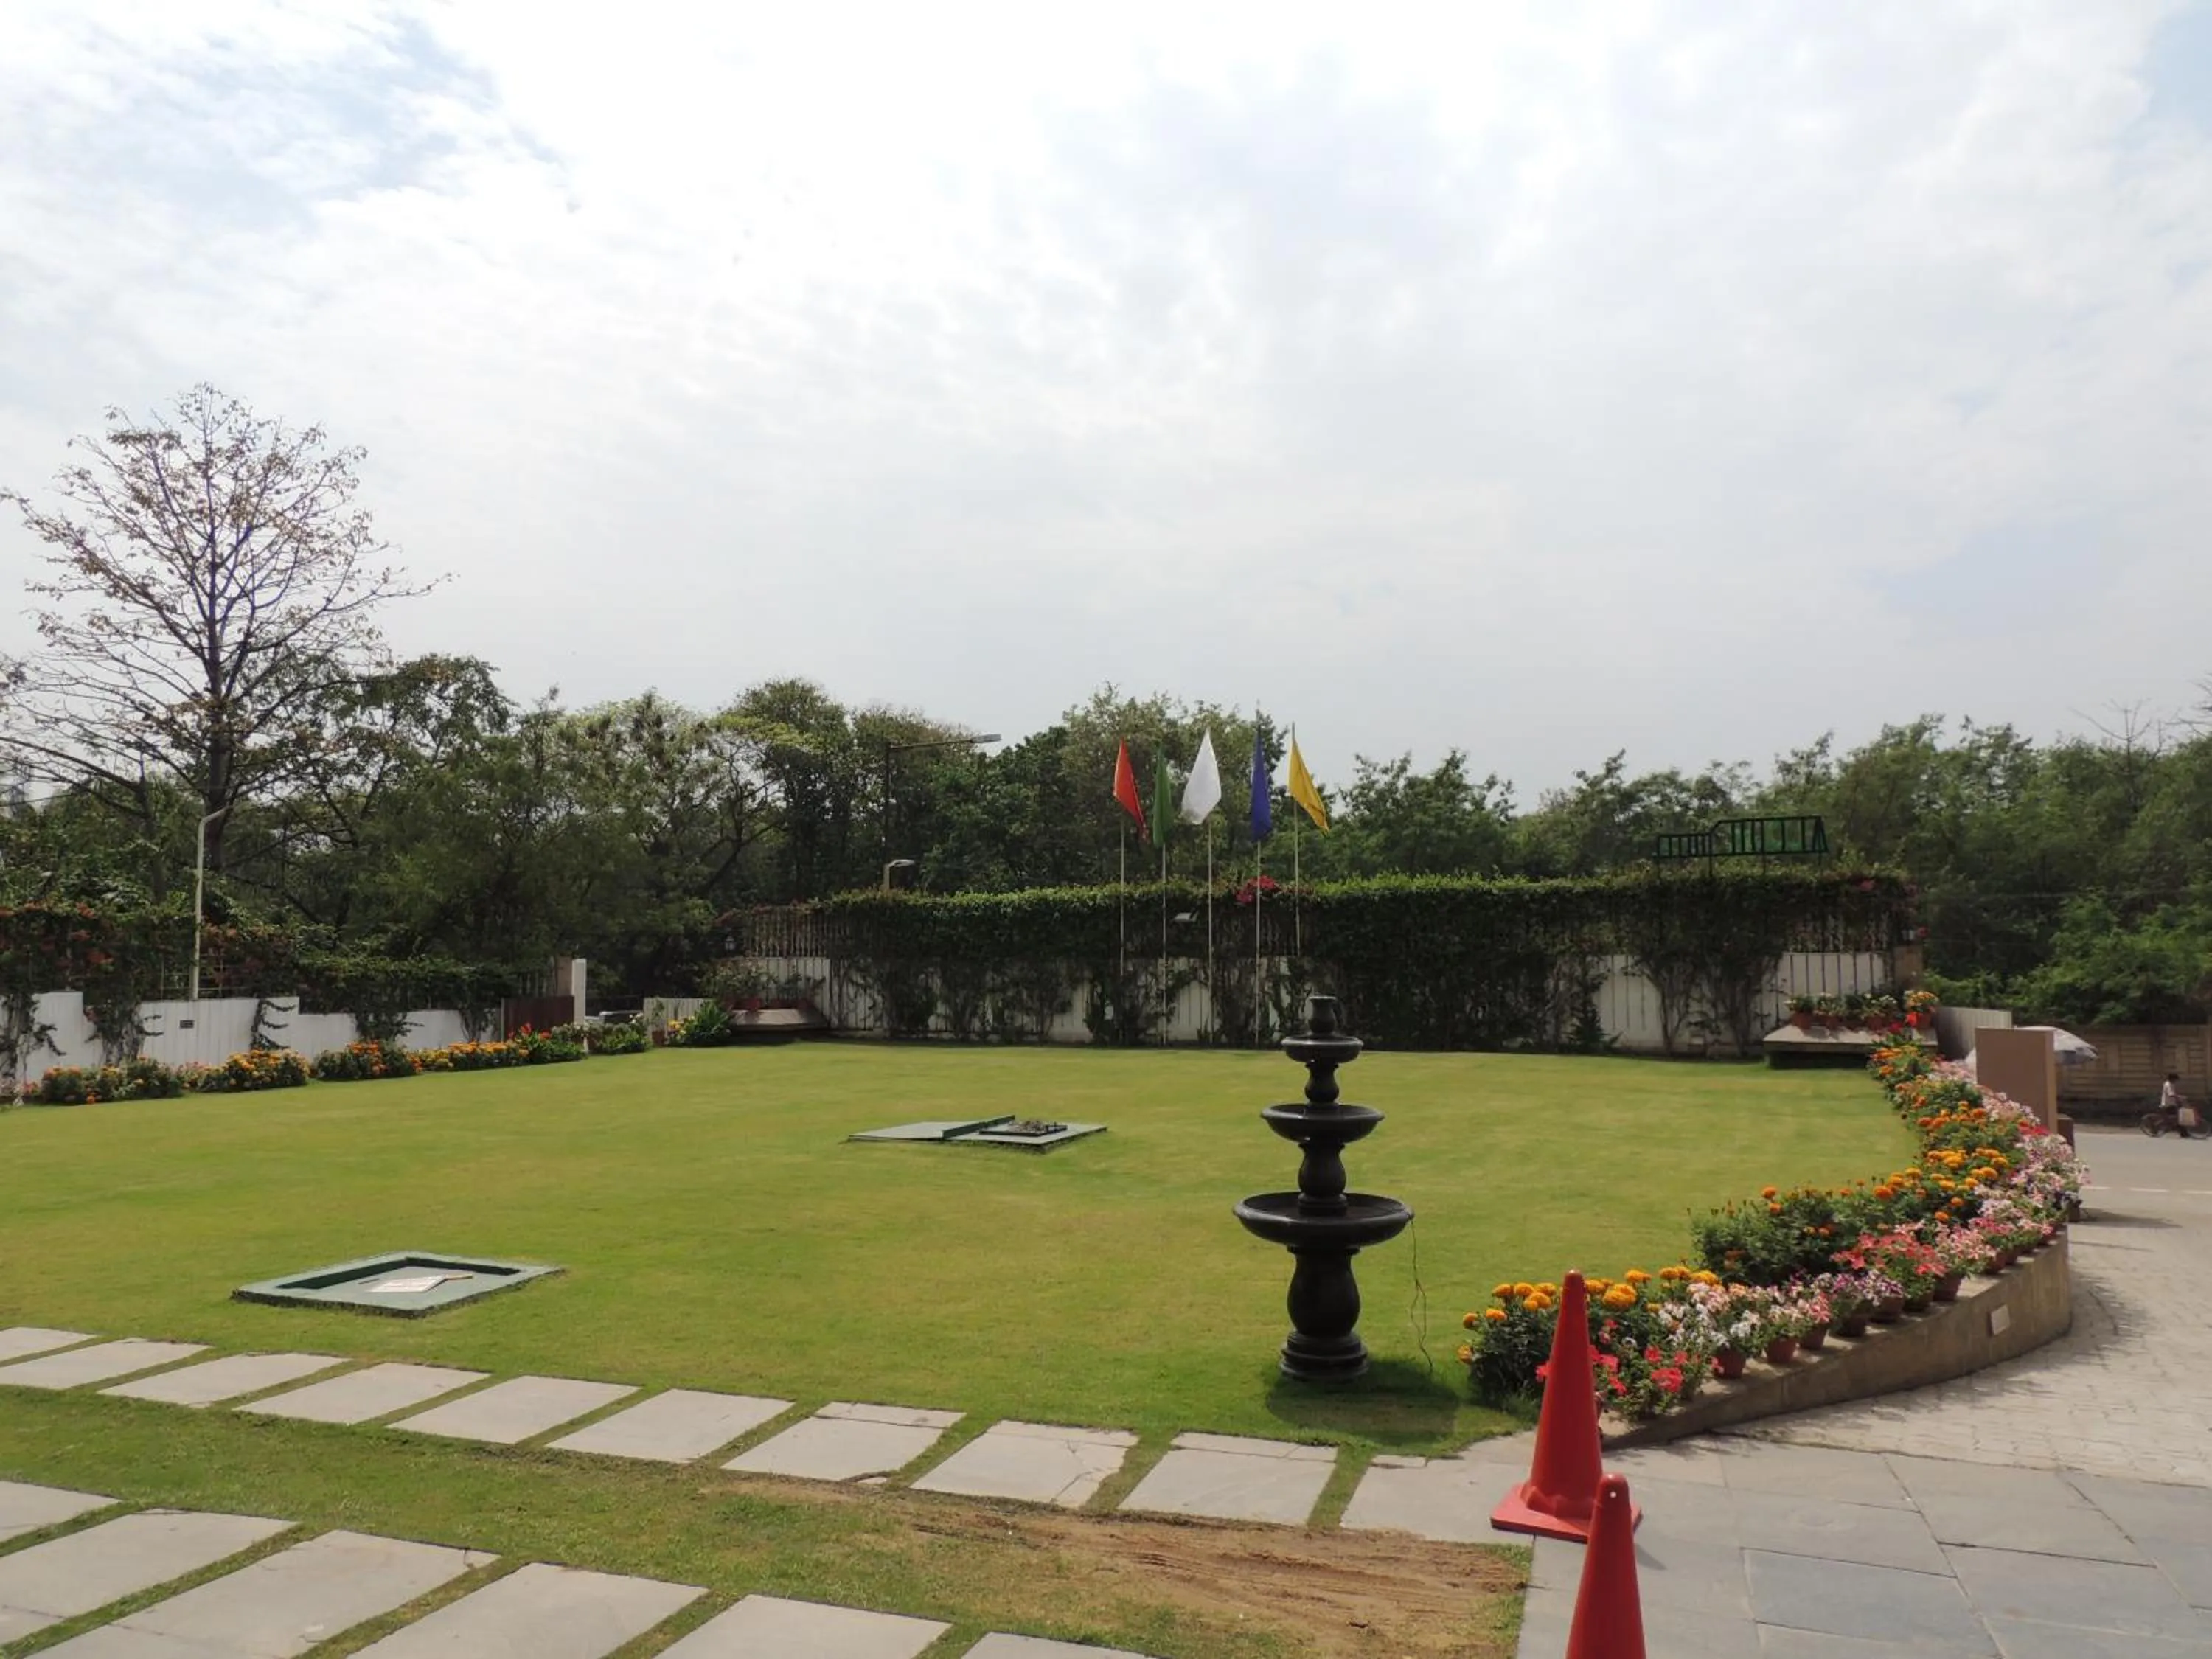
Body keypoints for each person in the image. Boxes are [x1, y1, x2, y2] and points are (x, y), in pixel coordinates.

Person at [2162, 1072, 2194, 1137]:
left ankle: (2183, 1133)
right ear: (2172, 1079)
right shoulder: (2169, 1085)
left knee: (2176, 1118)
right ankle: (2184, 1133)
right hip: (2169, 1104)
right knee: (2179, 1118)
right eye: (2175, 1079)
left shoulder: (2170, 1084)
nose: (2176, 1081)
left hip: (2170, 1103)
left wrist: (2178, 1099)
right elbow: (2171, 1094)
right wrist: (2180, 1097)